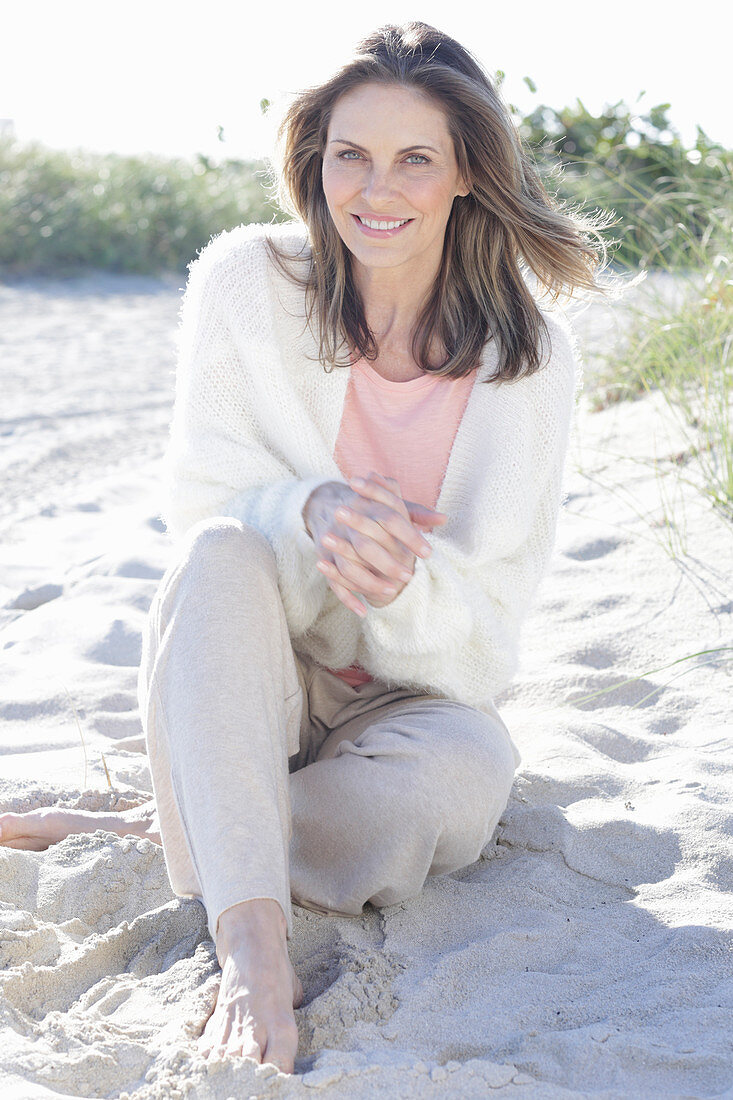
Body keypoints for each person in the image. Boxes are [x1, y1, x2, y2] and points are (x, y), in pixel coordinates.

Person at [1, 21, 618, 1076]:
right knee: (220, 552)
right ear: (315, 159)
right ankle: (249, 940)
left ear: (466, 171)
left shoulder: (528, 359)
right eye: (350, 154)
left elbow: (482, 642)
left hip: (408, 698)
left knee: (461, 783)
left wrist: (400, 588)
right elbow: (202, 511)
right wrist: (309, 513)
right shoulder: (248, 282)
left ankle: (186, 818)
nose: (375, 189)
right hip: (248, 664)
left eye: (413, 157)